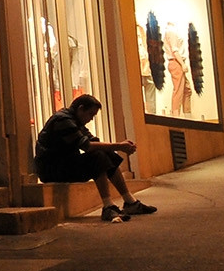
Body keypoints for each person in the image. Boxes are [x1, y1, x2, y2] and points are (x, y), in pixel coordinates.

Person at [34, 94, 154, 223]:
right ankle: (108, 206)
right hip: (53, 170)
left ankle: (130, 202)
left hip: (64, 164)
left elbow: (92, 141)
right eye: (90, 114)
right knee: (97, 156)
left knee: (105, 152)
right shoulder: (62, 121)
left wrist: (116, 147)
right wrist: (119, 145)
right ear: (81, 109)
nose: (91, 119)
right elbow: (86, 146)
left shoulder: (75, 121)